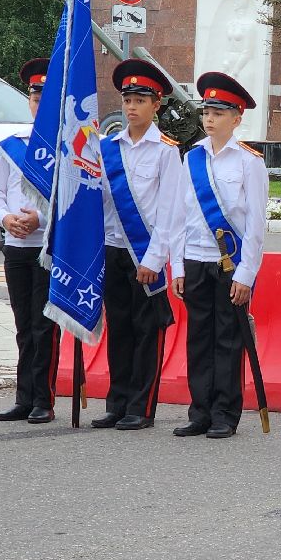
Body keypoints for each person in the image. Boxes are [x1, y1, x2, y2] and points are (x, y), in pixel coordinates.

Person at [170, 72, 269, 439]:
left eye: (219, 112)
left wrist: (246, 274)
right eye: (207, 111)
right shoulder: (192, 157)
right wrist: (176, 265)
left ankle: (225, 413)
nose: (210, 118)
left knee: (228, 339)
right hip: (196, 258)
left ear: (237, 117)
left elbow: (257, 224)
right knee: (199, 338)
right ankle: (200, 411)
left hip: (230, 263)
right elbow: (179, 215)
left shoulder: (249, 162)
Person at [91, 59, 182, 431]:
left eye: (140, 99)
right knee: (121, 327)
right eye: (127, 98)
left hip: (145, 253)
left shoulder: (165, 151)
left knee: (147, 331)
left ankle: (141, 407)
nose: (131, 106)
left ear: (156, 105)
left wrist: (155, 258)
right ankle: (117, 402)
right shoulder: (106, 147)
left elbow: (170, 212)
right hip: (113, 249)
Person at [0, 58, 59, 424]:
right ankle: (23, 397)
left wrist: (40, 219)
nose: (37, 104)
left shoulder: (67, 148)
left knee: (43, 326)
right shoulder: (15, 145)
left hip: (48, 249)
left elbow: (72, 201)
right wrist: (6, 218)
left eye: (45, 99)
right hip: (16, 247)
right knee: (22, 325)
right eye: (34, 97)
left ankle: (43, 400)